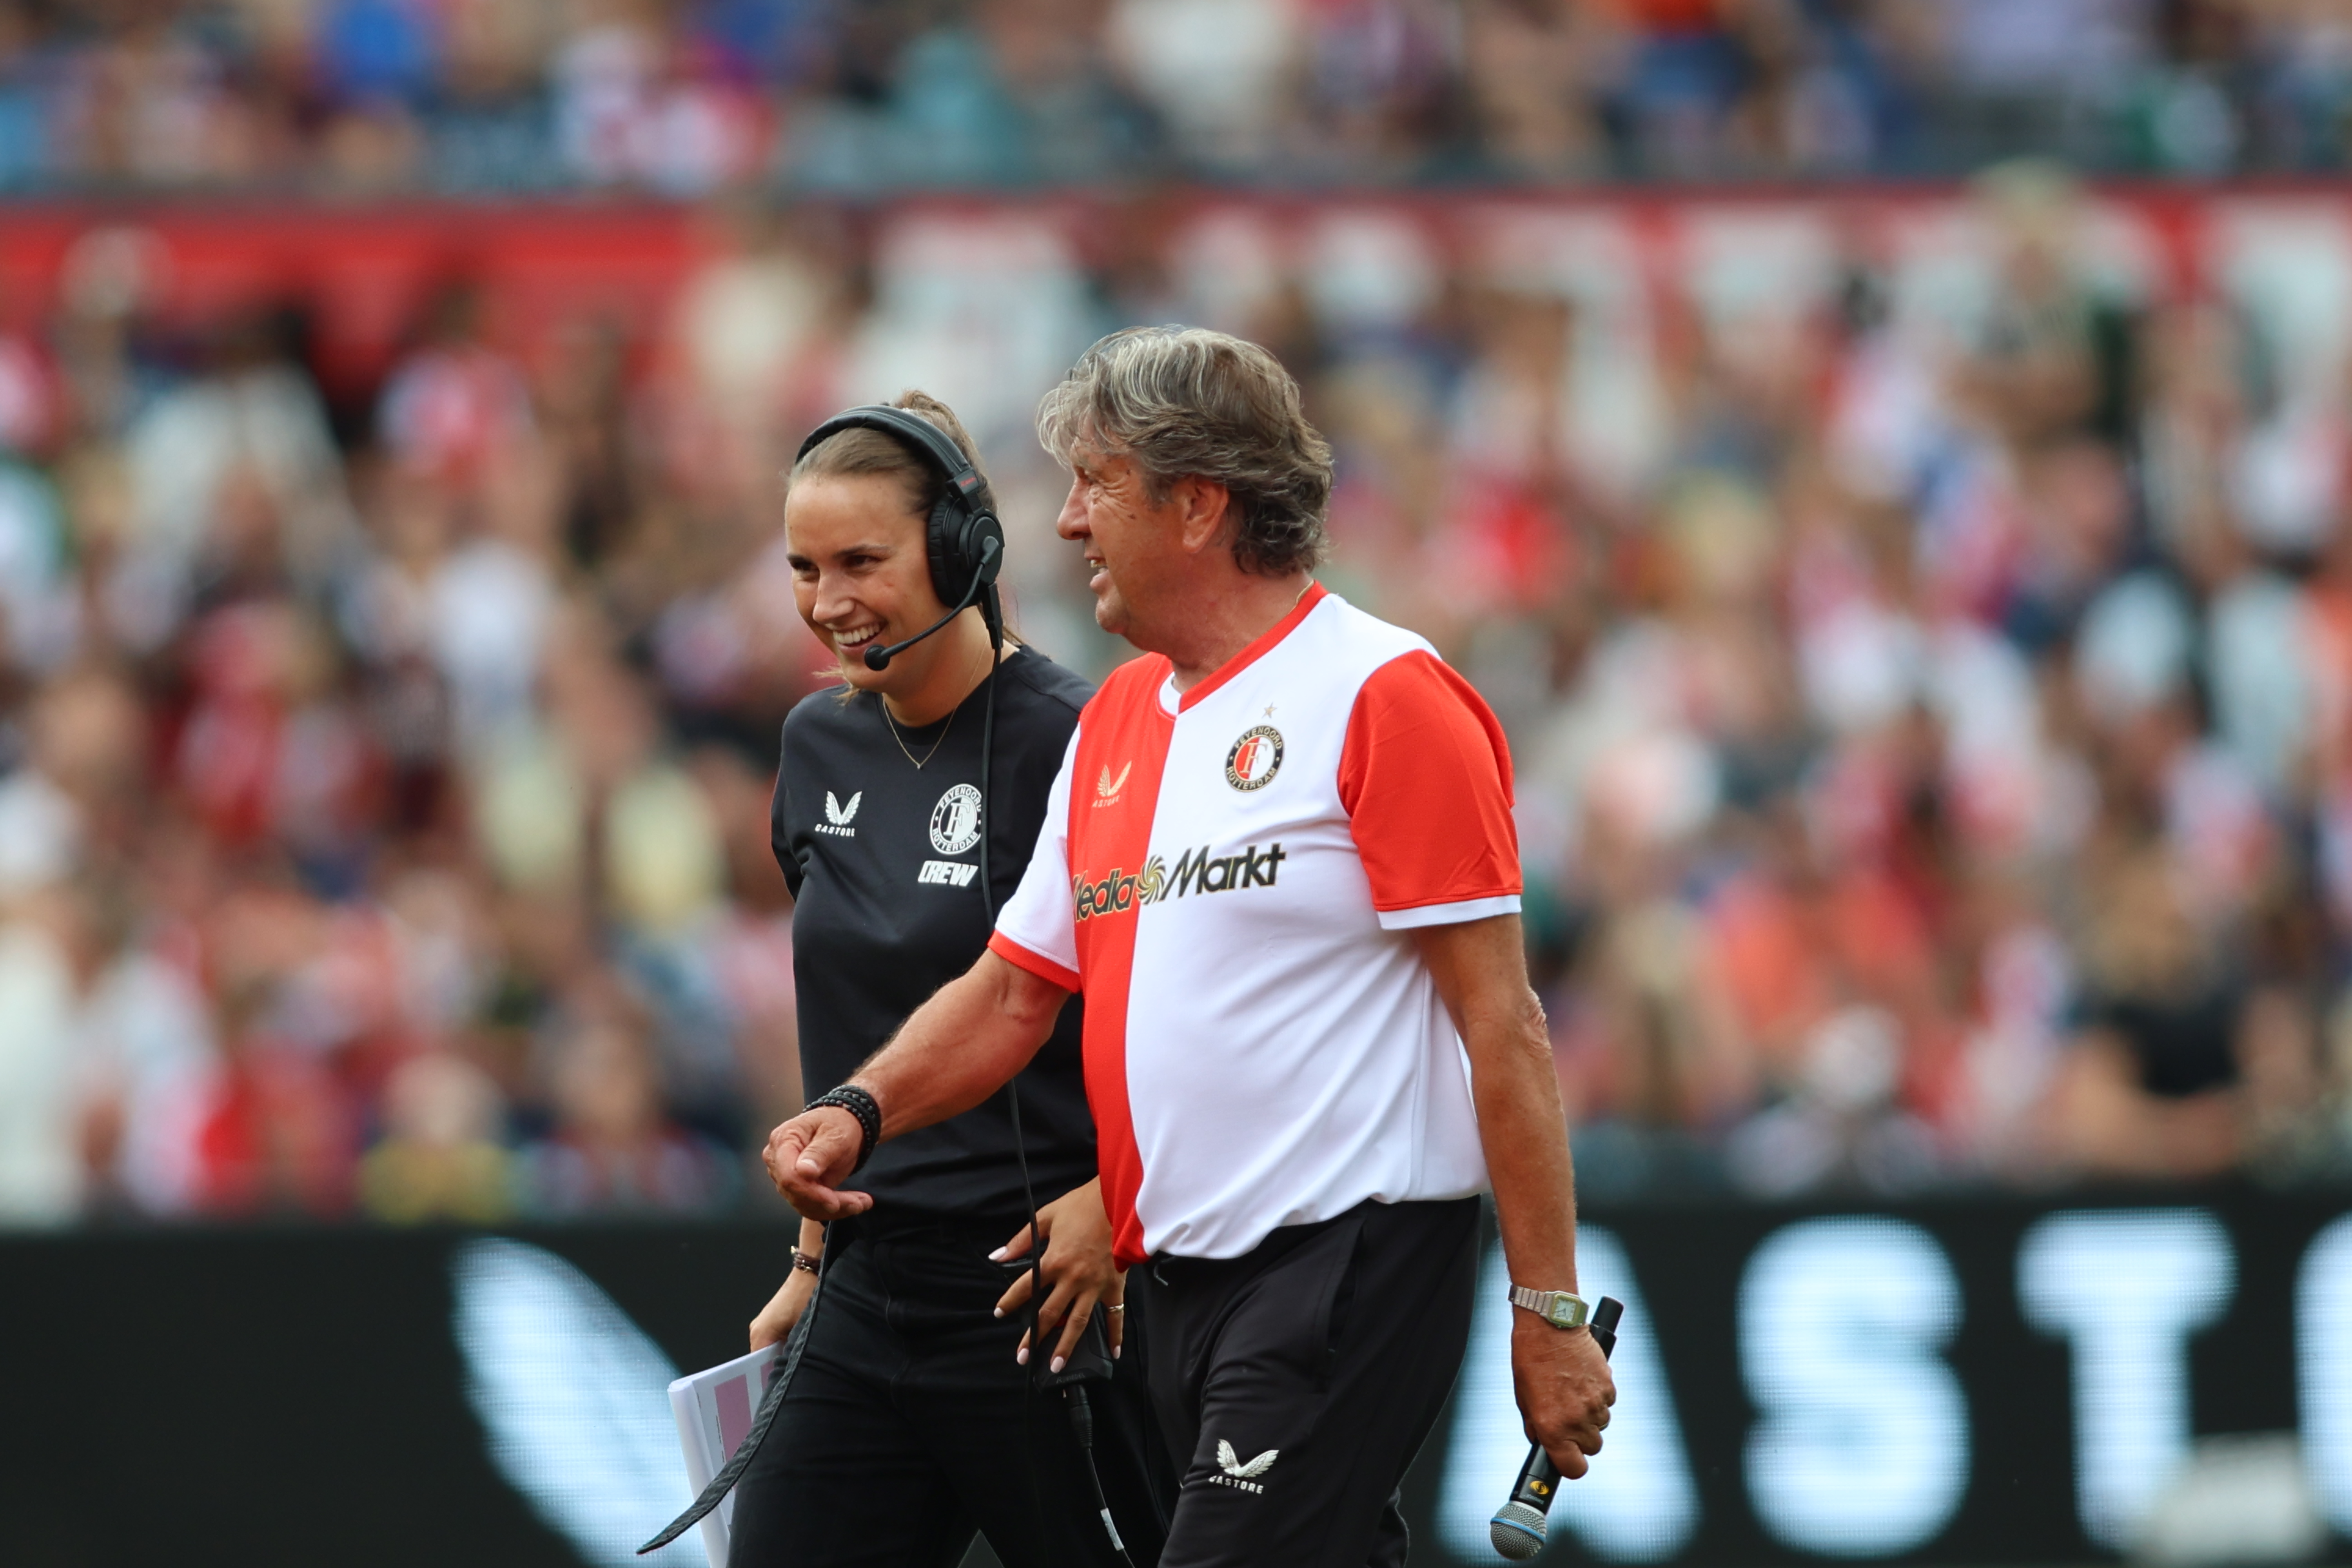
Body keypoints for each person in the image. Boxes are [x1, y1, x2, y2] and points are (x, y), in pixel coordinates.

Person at [762, 329, 1616, 1568]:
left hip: (1345, 1258)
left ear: (1199, 504)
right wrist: (859, 1110)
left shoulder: (1385, 693)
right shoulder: (1121, 717)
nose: (1066, 523)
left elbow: (1504, 1022)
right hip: (1172, 1283)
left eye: (1096, 485)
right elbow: (1010, 994)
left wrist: (1547, 1311)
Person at [684, 392, 1173, 1567]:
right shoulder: (813, 743)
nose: (828, 602)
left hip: (1045, 1290)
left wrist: (1114, 1201)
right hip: (865, 1289)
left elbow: (1178, 1010)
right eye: (804, 568)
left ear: (963, 554)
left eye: (862, 562)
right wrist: (810, 1261)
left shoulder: (1086, 740)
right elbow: (847, 1026)